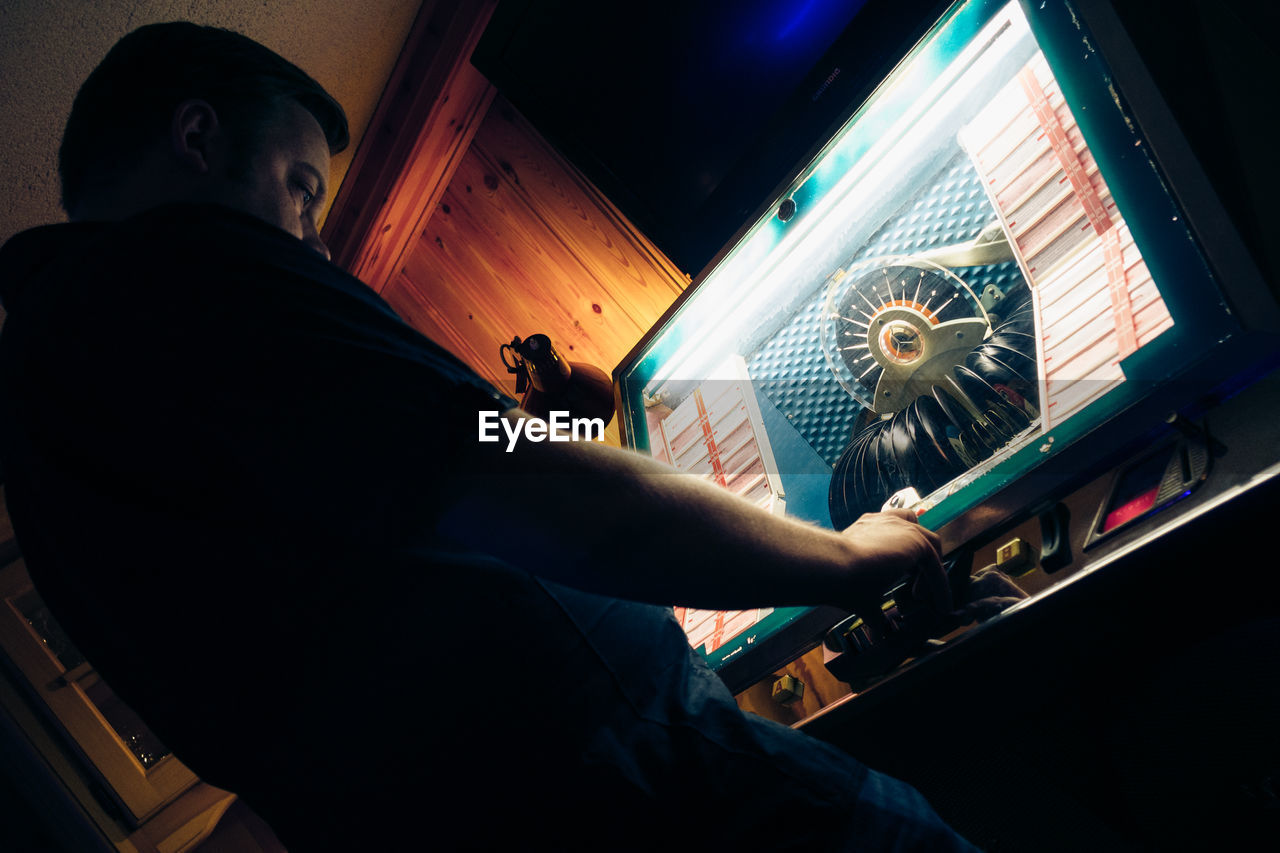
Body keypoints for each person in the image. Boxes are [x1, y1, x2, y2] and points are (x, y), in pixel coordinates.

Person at [0, 22, 979, 851]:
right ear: (198, 136)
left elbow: (435, 461)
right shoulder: (179, 276)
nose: (310, 241)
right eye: (301, 186)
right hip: (625, 774)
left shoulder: (54, 394)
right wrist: (848, 558)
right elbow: (542, 493)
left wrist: (565, 419)